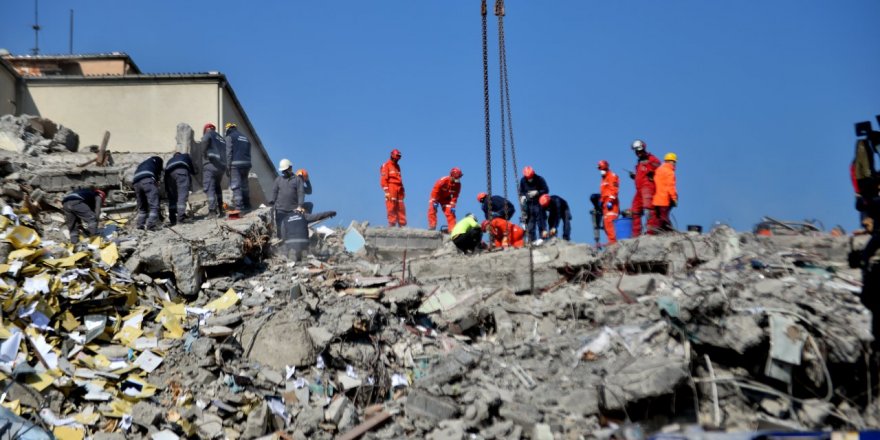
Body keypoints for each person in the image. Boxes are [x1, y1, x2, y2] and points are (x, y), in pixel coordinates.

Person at [629, 139, 662, 236]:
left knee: (649, 209)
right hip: (639, 190)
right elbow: (642, 174)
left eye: (639, 151)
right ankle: (636, 234)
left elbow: (658, 168)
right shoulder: (639, 162)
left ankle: (650, 233)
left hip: (648, 187)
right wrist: (634, 176)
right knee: (635, 210)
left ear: (643, 149)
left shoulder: (651, 159)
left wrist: (652, 172)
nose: (638, 153)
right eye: (636, 151)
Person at [270, 159, 305, 239]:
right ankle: (281, 245)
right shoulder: (278, 180)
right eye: (283, 171)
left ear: (290, 168)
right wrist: (272, 201)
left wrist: (300, 206)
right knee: (281, 229)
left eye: (285, 170)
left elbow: (301, 193)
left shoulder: (297, 180)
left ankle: (292, 246)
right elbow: (274, 191)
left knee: (292, 229)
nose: (284, 172)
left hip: (293, 210)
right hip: (280, 210)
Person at [199, 123, 226, 218]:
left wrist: (203, 153)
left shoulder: (208, 134)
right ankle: (221, 210)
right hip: (221, 167)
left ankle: (212, 212)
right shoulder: (221, 138)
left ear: (206, 129)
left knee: (210, 187)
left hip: (210, 164)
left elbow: (204, 141)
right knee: (217, 187)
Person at [224, 122, 252, 211]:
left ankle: (239, 208)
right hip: (246, 164)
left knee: (236, 186)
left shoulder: (230, 137)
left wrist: (228, 167)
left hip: (235, 165)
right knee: (244, 185)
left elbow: (228, 153)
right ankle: (247, 205)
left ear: (228, 129)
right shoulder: (245, 137)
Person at [518, 166, 549, 241]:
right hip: (528, 205)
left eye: (530, 177)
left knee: (541, 223)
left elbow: (546, 190)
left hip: (539, 204)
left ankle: (543, 240)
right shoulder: (523, 180)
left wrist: (537, 192)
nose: (529, 179)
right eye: (528, 178)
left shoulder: (539, 179)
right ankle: (532, 242)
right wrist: (522, 197)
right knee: (530, 226)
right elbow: (521, 192)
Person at [164, 152, 195, 225]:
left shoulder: (170, 161)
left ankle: (172, 219)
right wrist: (194, 173)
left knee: (172, 197)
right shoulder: (185, 156)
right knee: (182, 196)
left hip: (169, 175)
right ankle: (180, 219)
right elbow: (191, 166)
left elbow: (165, 175)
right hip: (181, 172)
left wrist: (167, 189)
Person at [133, 156, 163, 230]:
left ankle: (140, 225)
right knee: (154, 205)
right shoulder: (158, 160)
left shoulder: (143, 164)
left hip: (136, 183)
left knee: (142, 207)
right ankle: (151, 225)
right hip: (147, 180)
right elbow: (159, 172)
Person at [380, 149, 406, 227]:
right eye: (397, 156)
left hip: (399, 188)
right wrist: (386, 191)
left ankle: (402, 224)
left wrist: (402, 189)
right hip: (391, 187)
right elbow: (383, 179)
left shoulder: (398, 166)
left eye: (399, 157)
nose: (398, 159)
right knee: (391, 205)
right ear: (393, 155)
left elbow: (400, 178)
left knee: (401, 206)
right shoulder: (386, 165)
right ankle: (392, 223)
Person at [653, 153, 678, 233]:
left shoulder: (658, 170)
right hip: (665, 199)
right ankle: (670, 232)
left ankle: (659, 232)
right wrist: (674, 198)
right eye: (674, 162)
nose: (675, 164)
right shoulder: (670, 172)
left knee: (660, 218)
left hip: (656, 199)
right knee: (664, 218)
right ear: (671, 161)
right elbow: (671, 187)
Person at [598, 160, 620, 244]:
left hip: (611, 204)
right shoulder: (603, 180)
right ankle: (611, 242)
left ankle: (613, 243)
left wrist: (611, 200)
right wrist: (601, 201)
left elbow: (614, 189)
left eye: (601, 168)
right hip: (605, 204)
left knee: (611, 223)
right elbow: (603, 192)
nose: (601, 171)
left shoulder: (612, 176)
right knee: (606, 225)